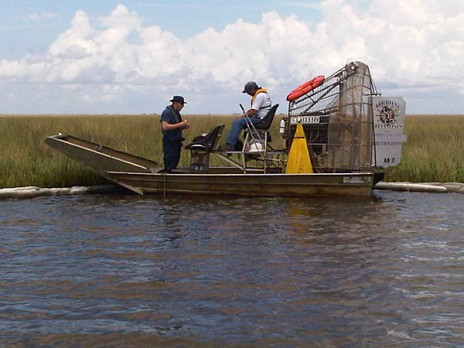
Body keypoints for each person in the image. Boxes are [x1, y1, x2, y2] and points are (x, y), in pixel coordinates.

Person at [222, 81, 272, 151]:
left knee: (237, 122)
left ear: (252, 89)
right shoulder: (263, 94)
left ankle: (230, 145)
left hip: (260, 119)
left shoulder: (259, 96)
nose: (248, 94)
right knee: (238, 122)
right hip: (262, 118)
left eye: (248, 92)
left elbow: (253, 111)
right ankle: (235, 144)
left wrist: (242, 116)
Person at [159, 96, 191, 173]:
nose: (183, 106)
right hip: (170, 143)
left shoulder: (176, 113)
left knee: (174, 163)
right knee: (169, 163)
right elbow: (165, 126)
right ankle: (166, 180)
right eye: (182, 104)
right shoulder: (167, 112)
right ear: (175, 103)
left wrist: (183, 126)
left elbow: (175, 127)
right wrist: (180, 125)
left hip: (176, 143)